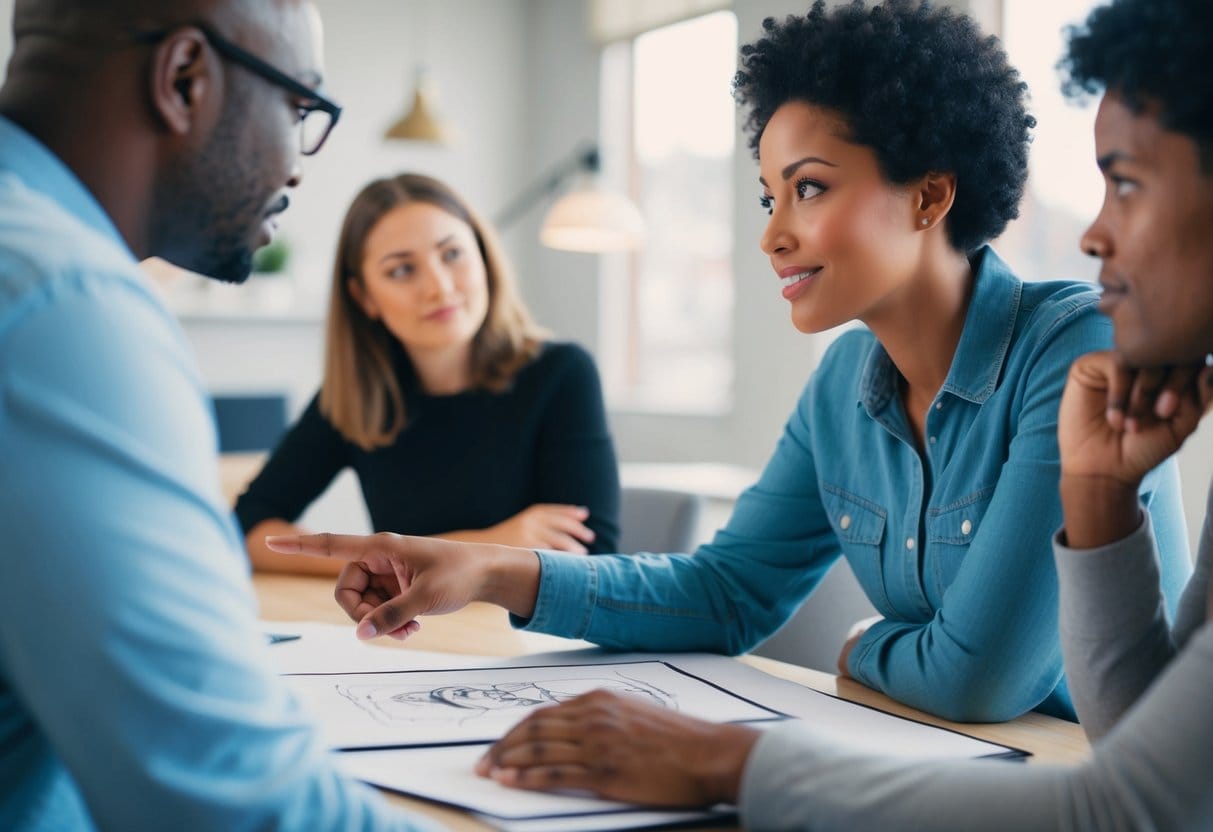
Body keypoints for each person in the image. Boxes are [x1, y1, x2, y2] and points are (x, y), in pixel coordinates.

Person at [365, 0, 1213, 827]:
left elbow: (979, 683)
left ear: (928, 197)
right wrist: (487, 569)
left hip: (1048, 774)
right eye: (769, 197)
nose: (771, 234)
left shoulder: (1072, 348)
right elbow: (729, 590)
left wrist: (858, 644)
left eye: (807, 189)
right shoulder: (843, 379)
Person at [0, 1, 433, 829]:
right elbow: (225, 797)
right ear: (185, 80)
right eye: (301, 108)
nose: (301, 169)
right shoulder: (64, 304)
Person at [235, 173, 620, 576]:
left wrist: (394, 561)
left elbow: (590, 561)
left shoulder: (561, 374)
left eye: (452, 254)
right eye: (401, 271)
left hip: (528, 637)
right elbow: (248, 527)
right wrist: (488, 546)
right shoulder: (358, 395)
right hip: (407, 631)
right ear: (364, 297)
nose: (438, 287)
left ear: (484, 258)